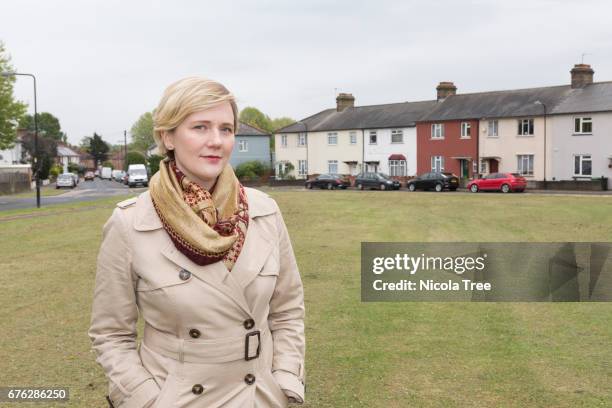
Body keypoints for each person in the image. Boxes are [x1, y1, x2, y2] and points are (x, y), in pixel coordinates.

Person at [88, 77, 305, 407]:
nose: (216, 141)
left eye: (226, 129)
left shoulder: (265, 212)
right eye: (200, 127)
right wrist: (146, 399)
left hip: (259, 396)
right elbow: (111, 334)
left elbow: (287, 311)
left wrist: (285, 379)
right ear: (168, 137)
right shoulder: (131, 222)